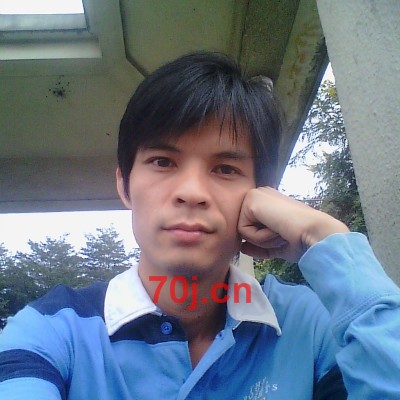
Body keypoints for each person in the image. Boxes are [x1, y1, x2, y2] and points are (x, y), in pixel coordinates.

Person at [0, 52, 399, 399]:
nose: (191, 192)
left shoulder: (306, 326)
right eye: (162, 162)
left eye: (225, 168)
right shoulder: (52, 331)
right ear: (124, 184)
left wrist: (325, 238)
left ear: (262, 195)